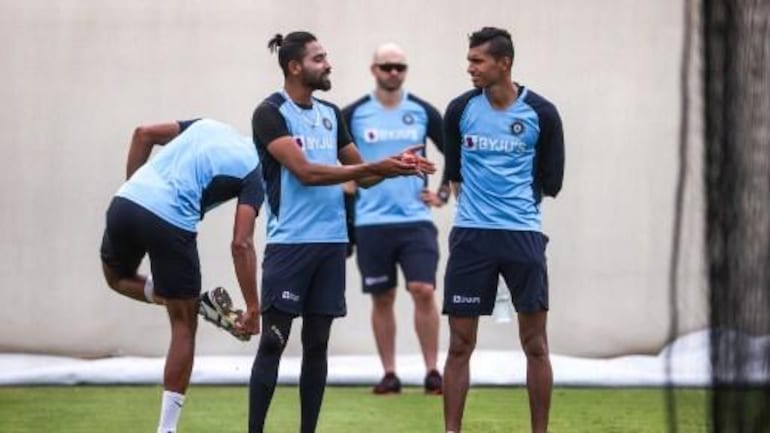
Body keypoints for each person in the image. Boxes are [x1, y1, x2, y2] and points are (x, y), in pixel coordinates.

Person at [249, 31, 435, 433]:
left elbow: (363, 178)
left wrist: (393, 163)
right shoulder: (270, 113)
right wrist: (375, 167)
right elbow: (307, 172)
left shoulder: (332, 114)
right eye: (319, 58)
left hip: (331, 246)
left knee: (317, 346)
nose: (328, 64)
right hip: (289, 247)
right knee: (274, 342)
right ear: (295, 66)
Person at [99, 118, 263, 433]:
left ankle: (193, 301)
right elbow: (241, 243)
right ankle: (167, 429)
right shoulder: (257, 172)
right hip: (171, 221)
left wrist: (137, 190)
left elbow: (142, 133)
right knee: (183, 324)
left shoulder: (210, 125)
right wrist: (253, 308)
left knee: (117, 278)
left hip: (127, 200)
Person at [441, 27, 565, 433]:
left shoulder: (542, 113)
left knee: (535, 344)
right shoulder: (459, 110)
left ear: (504, 63)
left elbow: (552, 180)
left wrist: (514, 208)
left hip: (522, 236)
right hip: (471, 236)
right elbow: (454, 175)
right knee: (460, 344)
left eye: (478, 60)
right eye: (469, 59)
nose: (470, 68)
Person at [342, 42, 448, 395]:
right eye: (386, 66)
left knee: (423, 290)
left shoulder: (421, 111)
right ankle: (389, 373)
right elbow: (333, 159)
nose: (393, 73)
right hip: (371, 222)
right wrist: (347, 195)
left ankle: (433, 371)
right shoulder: (354, 113)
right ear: (373, 69)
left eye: (399, 67)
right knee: (382, 297)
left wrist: (443, 193)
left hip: (416, 220)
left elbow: (457, 152)